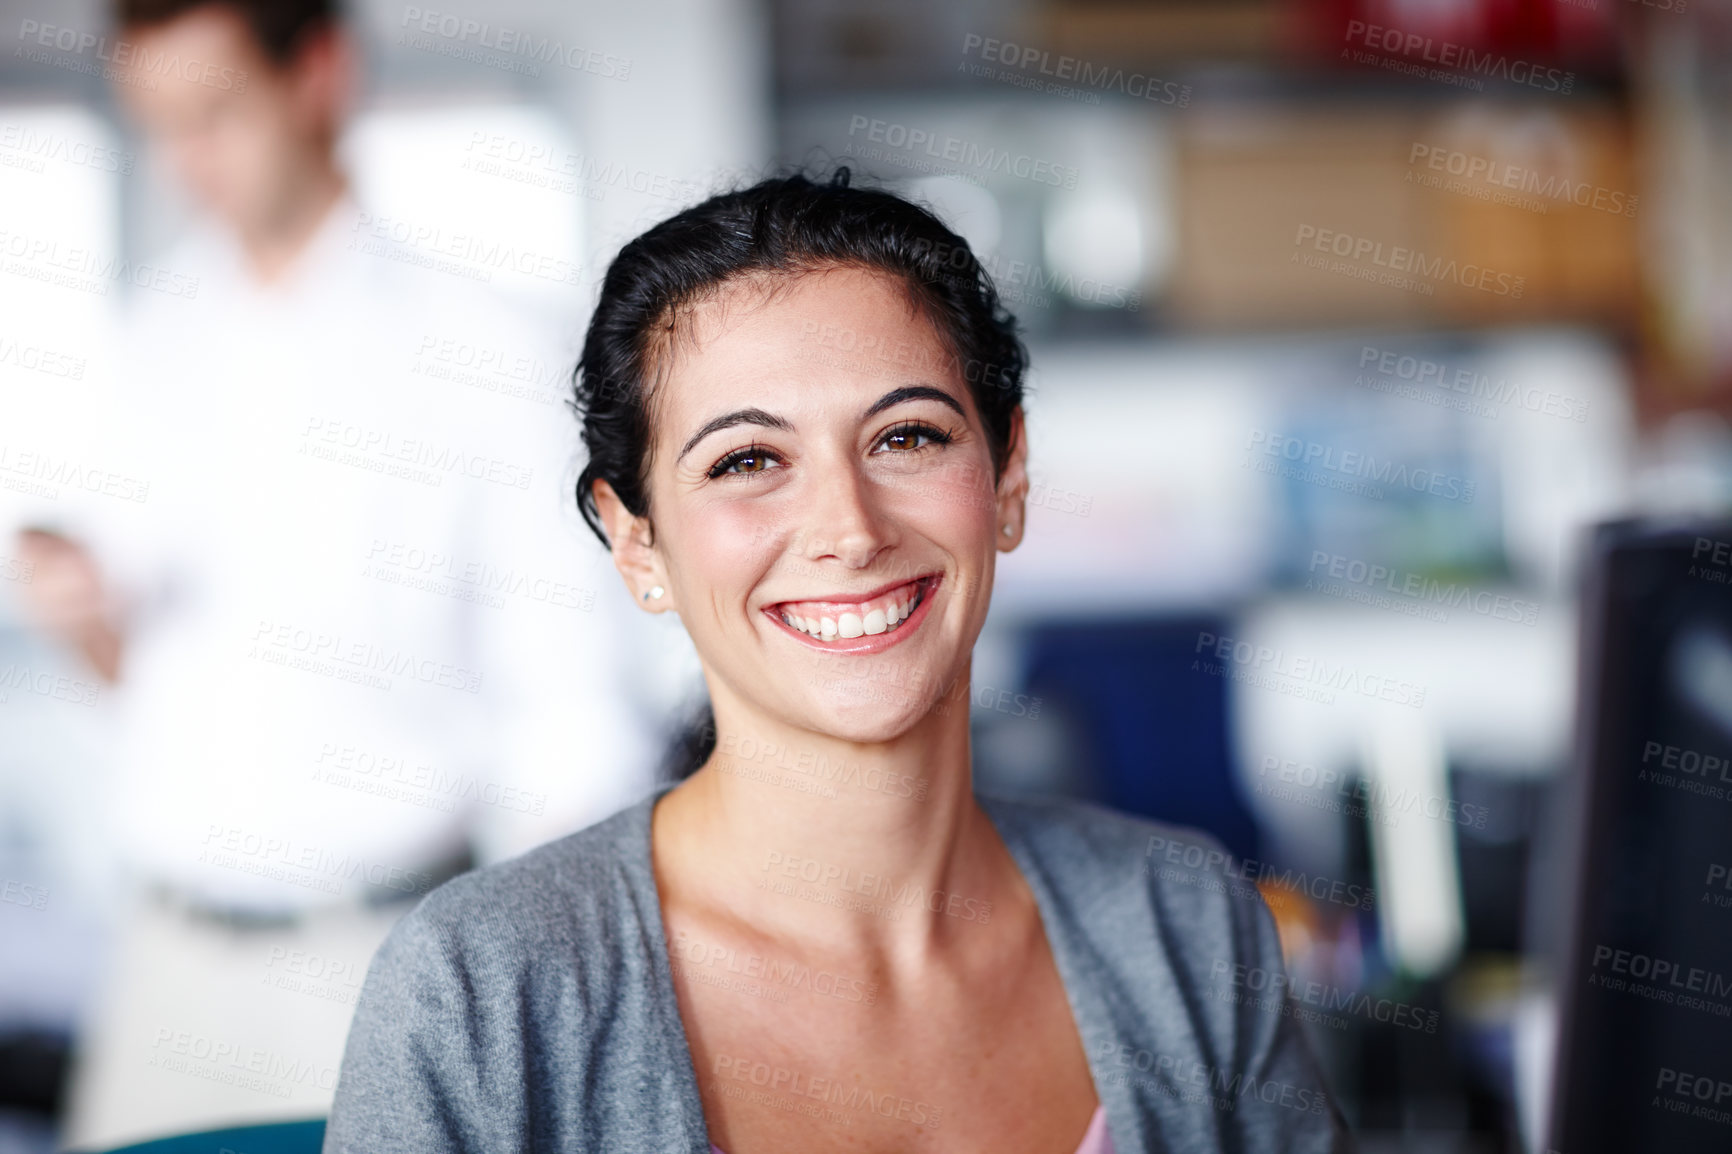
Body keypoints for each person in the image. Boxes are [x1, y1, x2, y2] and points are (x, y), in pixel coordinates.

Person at [323, 171, 1351, 1153]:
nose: (849, 529)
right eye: (747, 460)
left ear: (1008, 476)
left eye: (906, 436)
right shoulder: (479, 986)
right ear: (637, 541)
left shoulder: (1185, 920)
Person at [11, 1, 659, 1147]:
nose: (184, 163)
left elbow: (570, 715)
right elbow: (139, 671)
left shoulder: (484, 350)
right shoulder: (152, 336)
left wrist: (545, 986)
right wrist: (80, 615)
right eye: (157, 125)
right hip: (168, 961)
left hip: (380, 958)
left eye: (213, 114)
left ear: (318, 73)